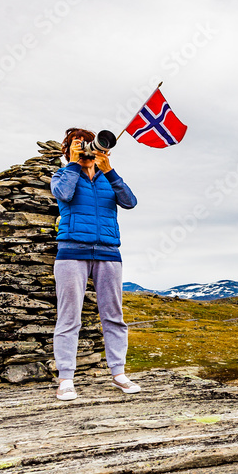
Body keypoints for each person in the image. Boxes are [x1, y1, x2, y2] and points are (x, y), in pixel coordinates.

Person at [50, 128, 139, 401]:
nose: (87, 150)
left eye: (89, 145)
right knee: (69, 317)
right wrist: (75, 163)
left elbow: (130, 202)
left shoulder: (107, 179)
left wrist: (109, 169)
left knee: (114, 315)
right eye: (79, 145)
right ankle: (66, 379)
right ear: (68, 151)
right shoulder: (62, 175)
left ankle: (119, 373)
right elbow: (63, 195)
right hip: (71, 251)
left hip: (109, 252)